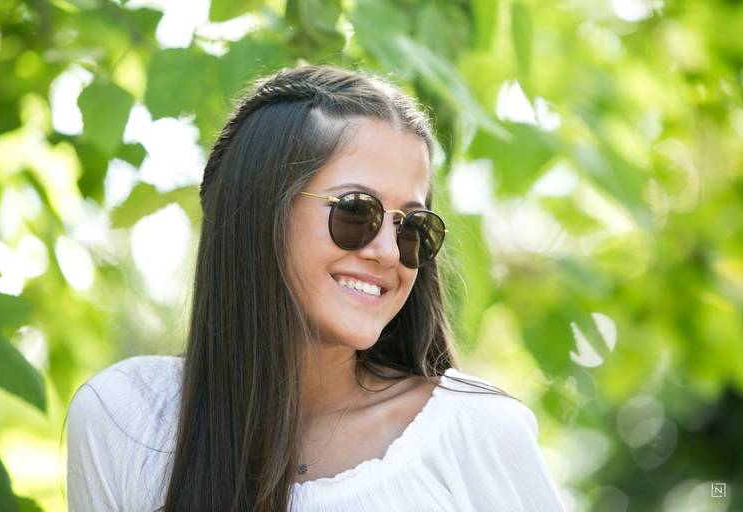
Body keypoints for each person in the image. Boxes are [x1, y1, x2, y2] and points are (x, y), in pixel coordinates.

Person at [66, 65, 565, 511]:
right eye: (356, 211)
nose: (388, 252)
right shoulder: (125, 419)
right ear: (259, 213)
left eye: (412, 226)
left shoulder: (475, 430)